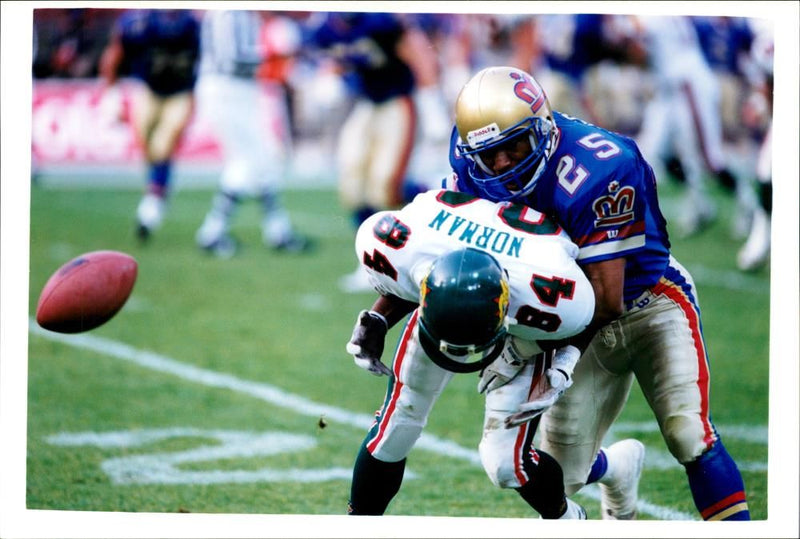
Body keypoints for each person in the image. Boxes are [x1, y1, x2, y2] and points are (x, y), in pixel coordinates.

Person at [444, 65, 750, 520]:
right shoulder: (470, 164)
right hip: (567, 316)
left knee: (689, 434)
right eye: (491, 155)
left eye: (514, 146)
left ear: (544, 129)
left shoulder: (601, 168)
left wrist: (543, 350)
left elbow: (607, 300)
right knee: (561, 475)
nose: (503, 163)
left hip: (648, 302)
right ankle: (618, 467)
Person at [344, 188, 645, 519]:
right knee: (393, 429)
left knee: (506, 464)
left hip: (521, 319)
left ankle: (570, 518)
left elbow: (593, 312)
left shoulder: (551, 291)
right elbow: (404, 276)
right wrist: (378, 318)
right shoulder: (403, 245)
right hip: (447, 297)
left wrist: (564, 362)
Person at [302, 12, 450, 292]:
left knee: (384, 185)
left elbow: (416, 51)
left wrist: (431, 101)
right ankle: (367, 260)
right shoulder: (325, 28)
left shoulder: (378, 19)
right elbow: (337, 59)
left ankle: (432, 192)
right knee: (351, 181)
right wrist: (328, 77)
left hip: (399, 100)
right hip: (368, 102)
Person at [609, 15, 755, 238]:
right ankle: (700, 203)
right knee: (652, 155)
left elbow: (635, 49)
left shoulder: (650, 18)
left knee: (709, 160)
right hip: (668, 88)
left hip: (689, 86)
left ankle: (749, 204)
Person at [193, 9, 310, 257]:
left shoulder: (238, 15)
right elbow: (234, 58)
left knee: (262, 160)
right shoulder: (230, 14)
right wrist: (277, 55)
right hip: (228, 90)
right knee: (249, 161)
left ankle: (277, 232)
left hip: (236, 92)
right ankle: (212, 233)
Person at [99, 9, 201, 241]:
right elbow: (115, 54)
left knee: (164, 145)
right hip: (149, 89)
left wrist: (197, 96)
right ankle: (158, 189)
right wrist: (111, 93)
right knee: (147, 146)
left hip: (180, 92)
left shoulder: (194, 26)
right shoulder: (137, 26)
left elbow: (206, 60)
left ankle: (153, 202)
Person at [736, 23, 773, 272]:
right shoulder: (765, 47)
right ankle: (760, 241)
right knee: (766, 172)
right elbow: (766, 88)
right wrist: (760, 105)